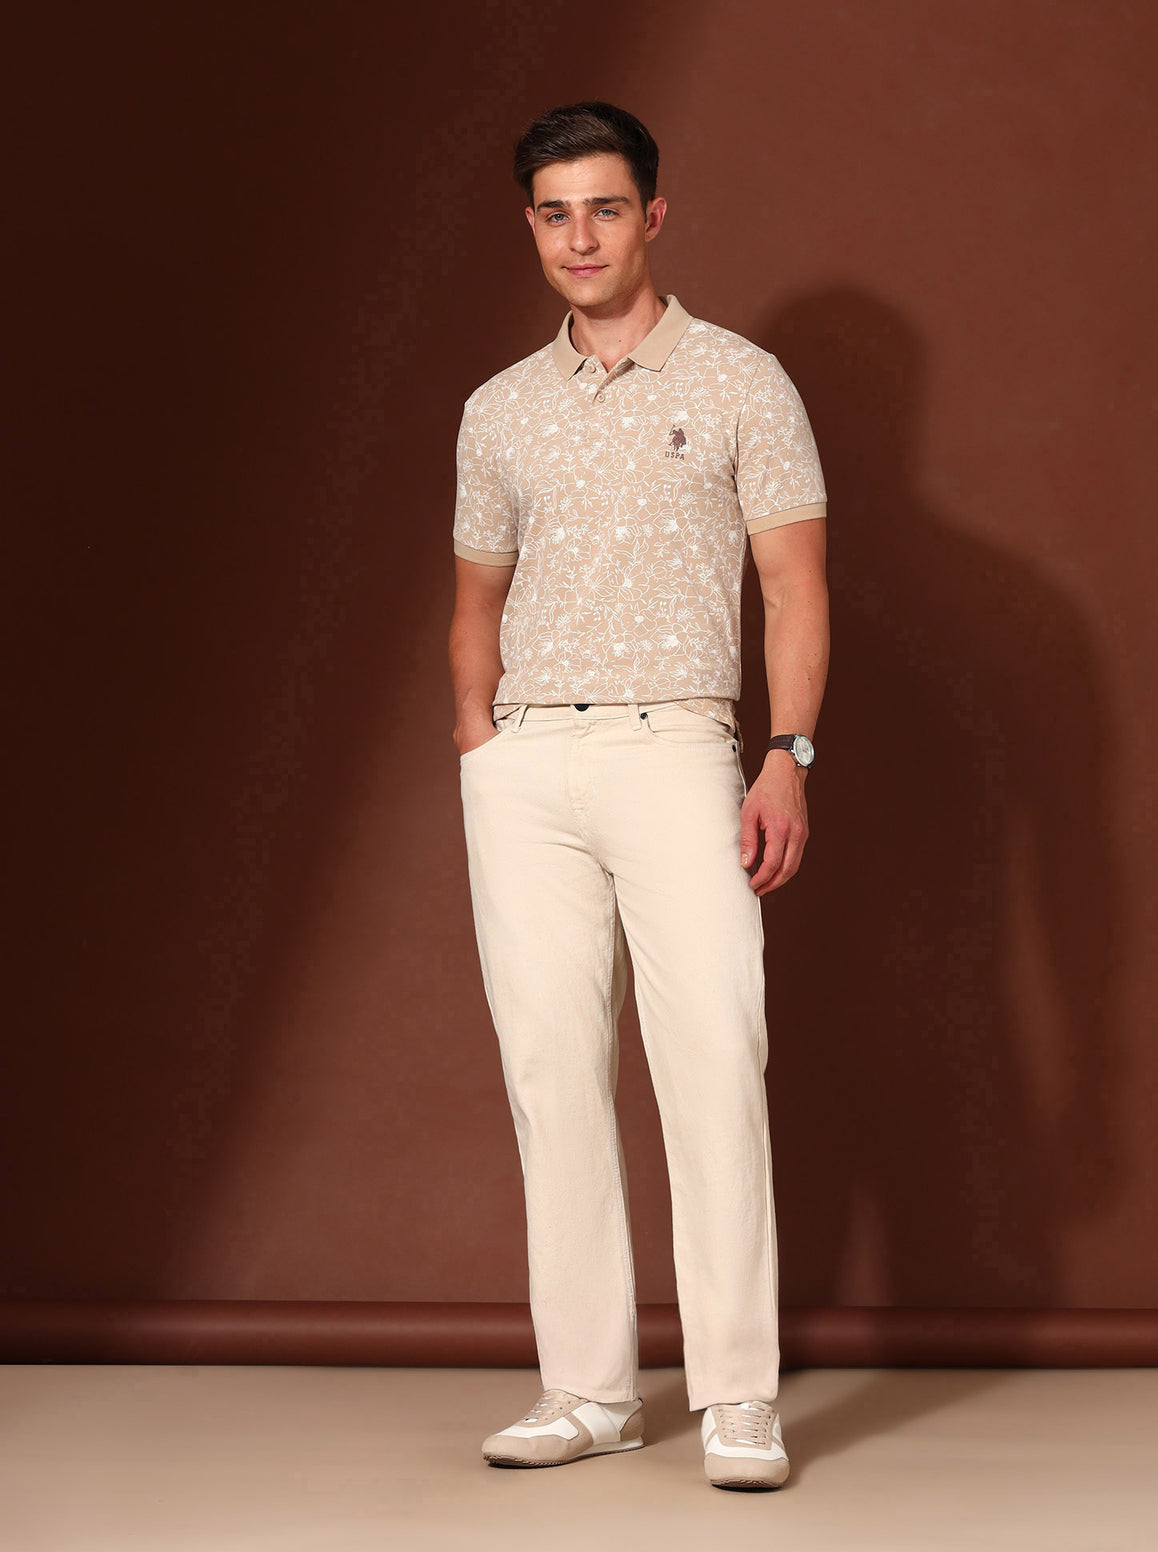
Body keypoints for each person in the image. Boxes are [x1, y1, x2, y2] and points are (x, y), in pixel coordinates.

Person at [447, 100, 829, 1492]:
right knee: (551, 1074)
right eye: (555, 214)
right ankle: (589, 1390)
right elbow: (474, 601)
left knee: (713, 1060)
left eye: (605, 209)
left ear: (651, 216)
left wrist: (788, 752)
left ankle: (737, 1398)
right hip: (527, 768)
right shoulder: (498, 407)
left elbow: (795, 586)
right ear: (531, 226)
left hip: (680, 748)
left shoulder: (743, 382)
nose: (581, 237)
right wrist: (479, 745)